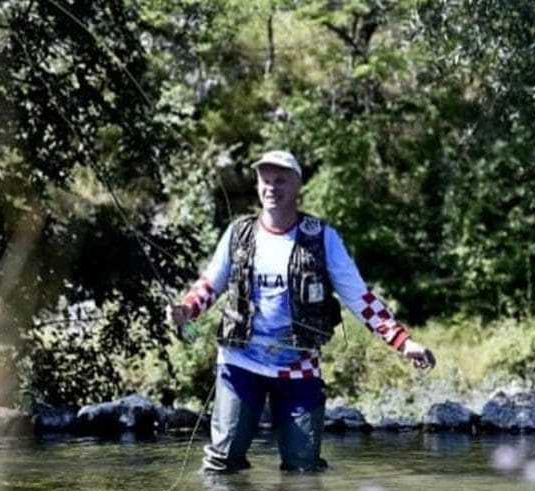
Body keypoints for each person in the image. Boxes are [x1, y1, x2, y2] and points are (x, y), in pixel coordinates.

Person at [167, 149, 436, 473]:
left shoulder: (322, 238)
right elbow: (209, 285)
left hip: (299, 367)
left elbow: (360, 298)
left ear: (297, 186)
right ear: (257, 186)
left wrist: (404, 343)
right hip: (240, 364)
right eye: (265, 180)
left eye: (280, 180)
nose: (271, 187)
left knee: (304, 469)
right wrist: (187, 310)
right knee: (221, 465)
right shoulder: (239, 233)